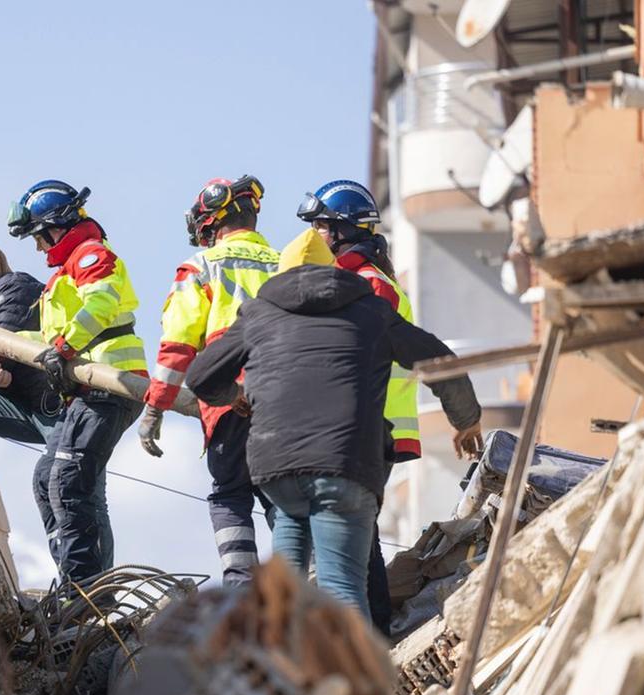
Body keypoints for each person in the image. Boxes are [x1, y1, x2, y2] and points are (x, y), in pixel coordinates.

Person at [183, 241, 483, 617]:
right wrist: (466, 421)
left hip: (276, 469)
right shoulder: (372, 311)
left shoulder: (257, 313)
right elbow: (441, 362)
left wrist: (234, 395)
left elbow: (200, 376)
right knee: (340, 586)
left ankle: (283, 671)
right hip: (345, 464)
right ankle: (352, 675)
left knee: (286, 593)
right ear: (335, 271)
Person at [137, 176, 280, 586]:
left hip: (230, 397)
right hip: (288, 397)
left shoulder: (202, 267)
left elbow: (178, 345)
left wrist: (154, 408)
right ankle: (304, 583)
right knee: (281, 495)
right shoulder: (284, 263)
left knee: (230, 493)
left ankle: (241, 591)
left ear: (209, 221)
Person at [295, 179, 422, 634]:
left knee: (351, 541)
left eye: (322, 226)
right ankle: (372, 640)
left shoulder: (368, 284)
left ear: (346, 230)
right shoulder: (359, 281)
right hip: (364, 427)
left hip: (371, 427)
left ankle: (371, 643)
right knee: (359, 541)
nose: (314, 237)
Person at [7, 180, 147, 585]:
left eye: (39, 237)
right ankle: (73, 579)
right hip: (87, 392)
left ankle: (88, 591)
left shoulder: (91, 257)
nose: (38, 248)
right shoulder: (66, 274)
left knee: (70, 483)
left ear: (56, 225)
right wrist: (1, 346)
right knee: (46, 477)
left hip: (111, 385)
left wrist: (65, 347)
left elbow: (99, 308)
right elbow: (52, 341)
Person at [0, 242, 115, 551]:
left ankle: (95, 586)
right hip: (37, 409)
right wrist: (2, 381)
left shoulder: (14, 288)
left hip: (67, 411)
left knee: (75, 489)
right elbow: (12, 355)